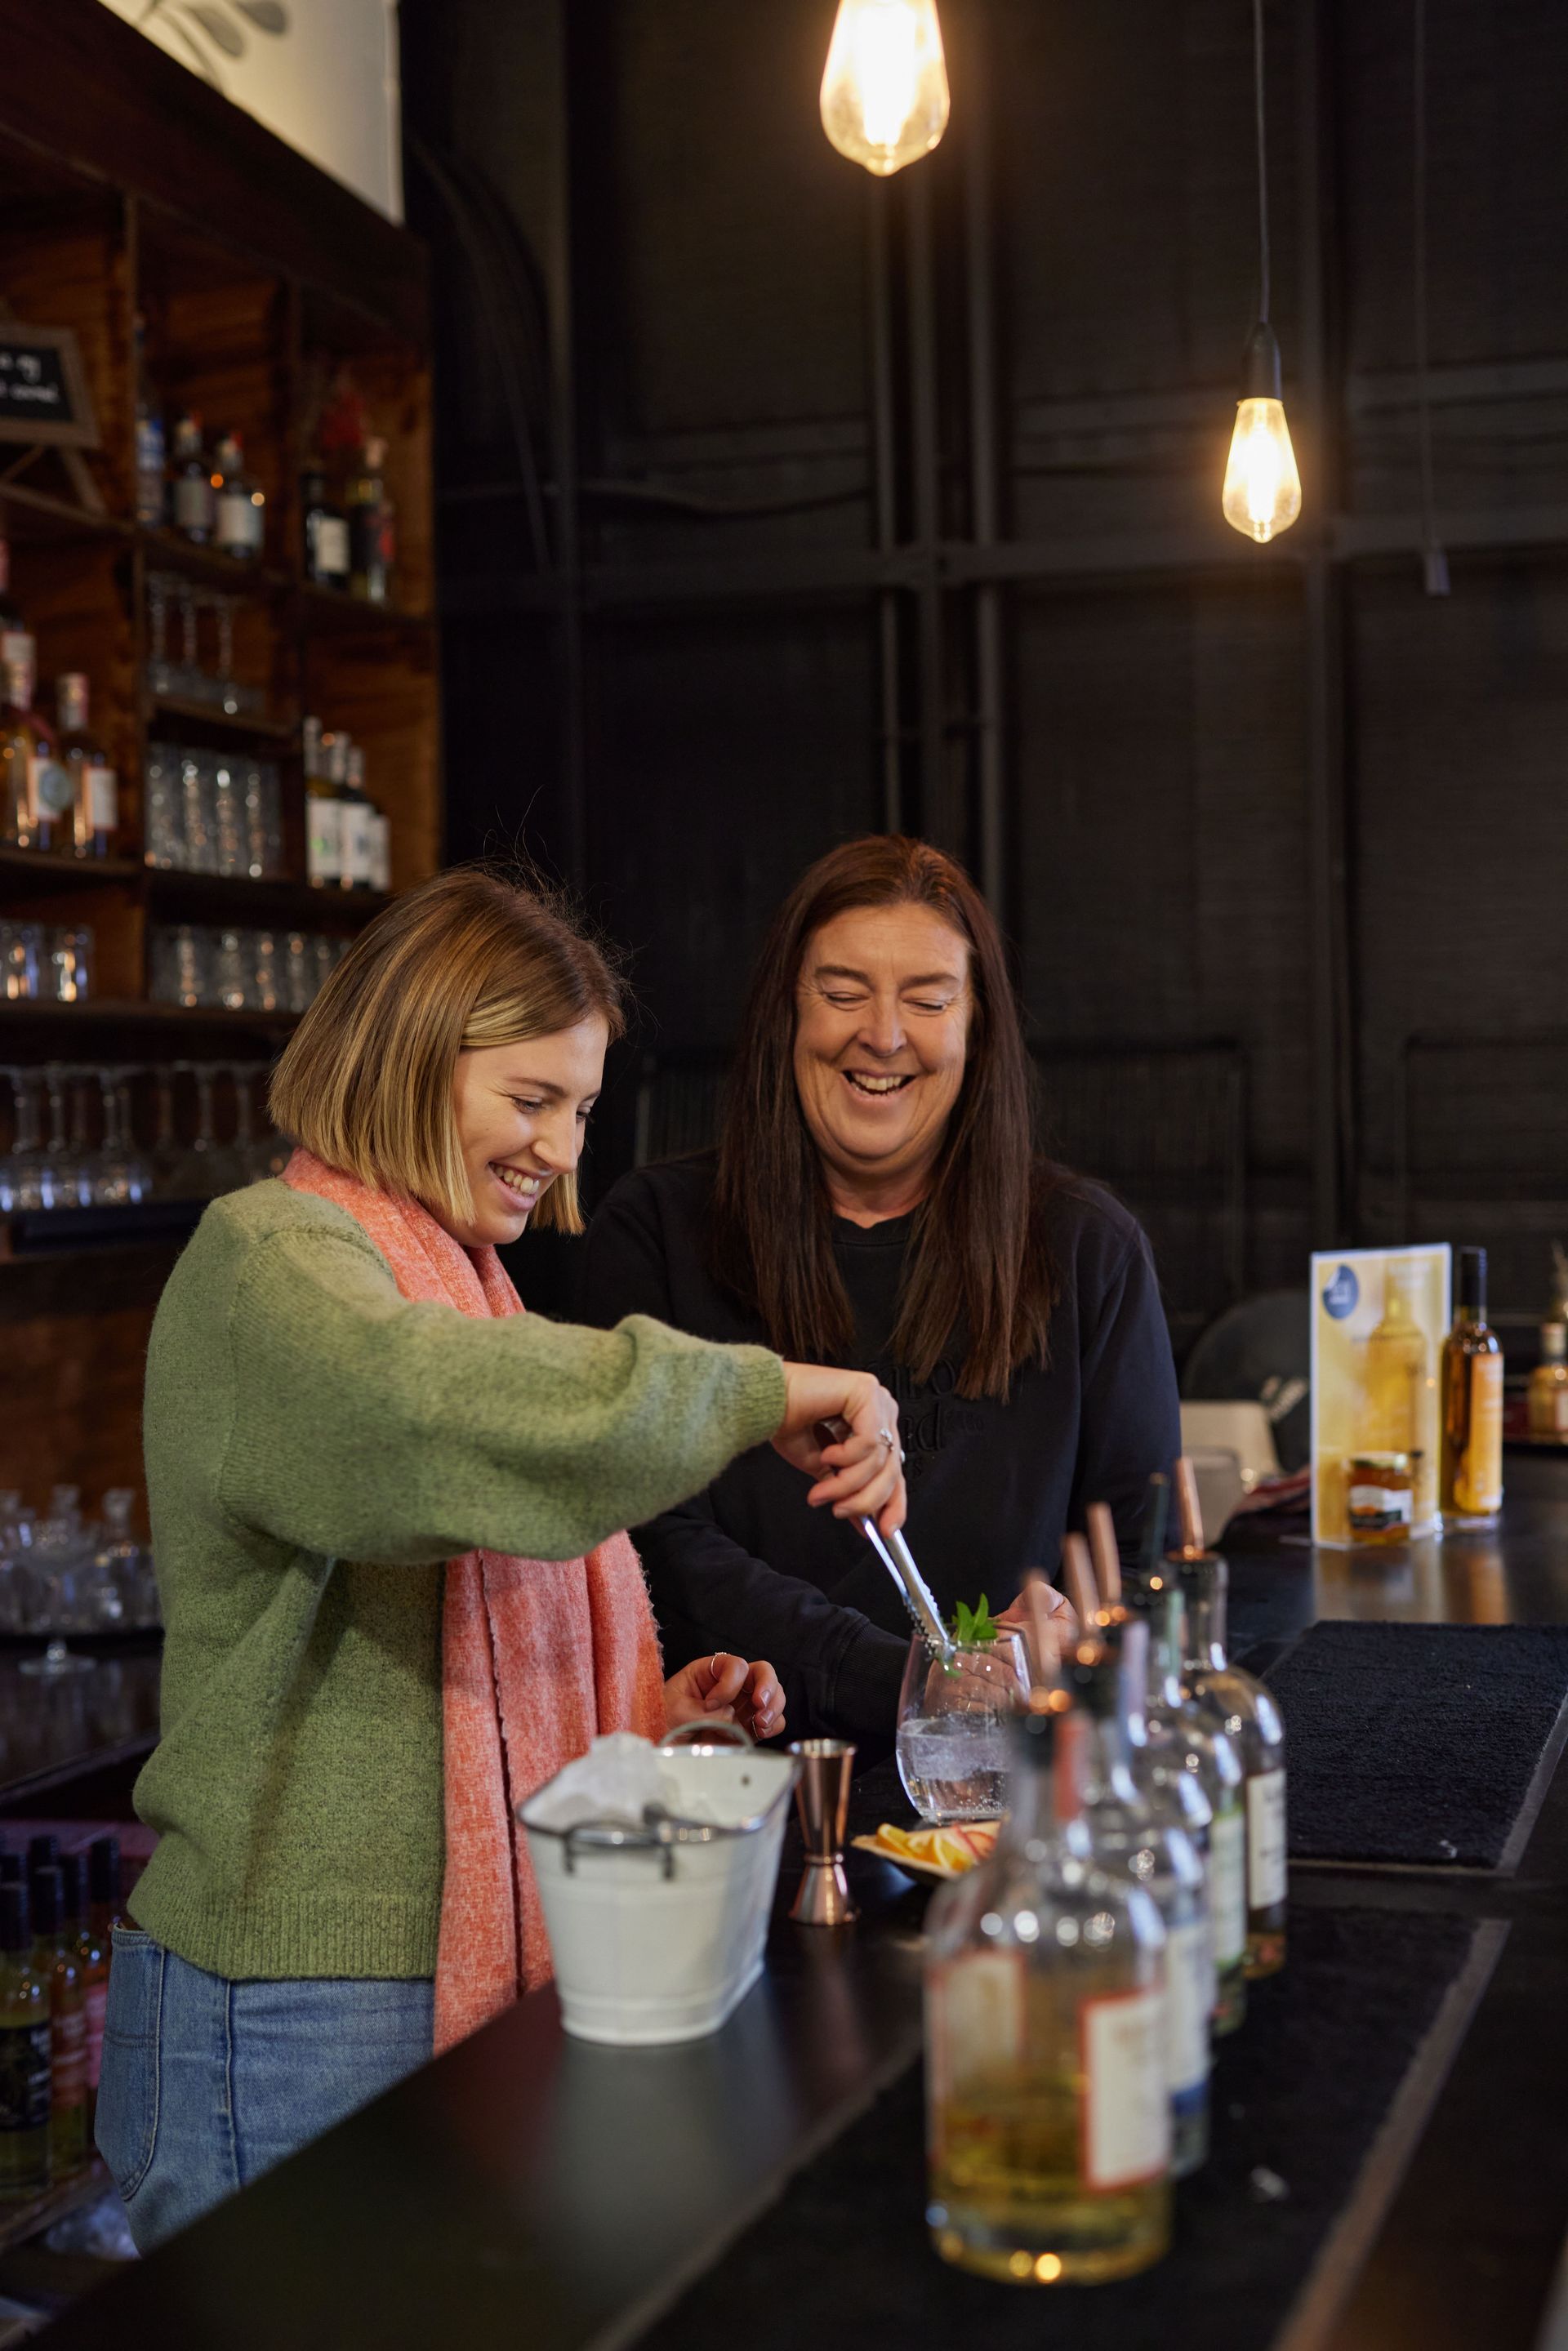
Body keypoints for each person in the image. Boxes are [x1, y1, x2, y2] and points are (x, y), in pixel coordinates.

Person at [96, 868, 903, 2252]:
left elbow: (478, 1577)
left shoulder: (468, 1280)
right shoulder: (272, 1259)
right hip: (296, 2000)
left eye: (581, 1109)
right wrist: (761, 1389)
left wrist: (648, 1715)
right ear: (410, 1051)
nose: (559, 1148)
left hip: (415, 1989)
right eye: (530, 1097)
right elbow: (434, 1407)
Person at [579, 835, 1181, 1743]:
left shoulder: (1086, 1249)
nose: (884, 1034)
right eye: (843, 991)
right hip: (740, 1773)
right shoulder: (654, 1230)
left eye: (929, 998)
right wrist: (916, 1681)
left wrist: (1074, 1646)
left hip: (1001, 1789)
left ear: (976, 1027)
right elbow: (648, 1544)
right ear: (788, 1009)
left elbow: (1145, 1564)